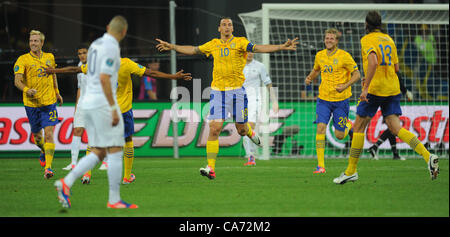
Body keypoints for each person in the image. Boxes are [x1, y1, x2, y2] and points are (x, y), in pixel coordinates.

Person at [156, 17, 298, 179]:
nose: (227, 27)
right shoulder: (213, 44)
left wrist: (281, 46)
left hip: (237, 92)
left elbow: (258, 48)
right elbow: (194, 50)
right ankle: (211, 168)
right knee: (215, 128)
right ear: (219, 29)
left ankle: (250, 132)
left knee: (241, 130)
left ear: (232, 28)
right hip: (218, 92)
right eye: (224, 24)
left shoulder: (240, 42)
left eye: (229, 24)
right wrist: (172, 46)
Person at [47, 54, 192, 185]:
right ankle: (127, 177)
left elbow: (75, 70)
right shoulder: (126, 63)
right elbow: (151, 73)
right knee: (128, 140)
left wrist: (54, 71)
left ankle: (87, 174)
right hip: (122, 111)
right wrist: (173, 77)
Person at [333, 11, 439, 185]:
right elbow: (396, 68)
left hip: (376, 90)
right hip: (392, 88)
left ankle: (351, 171)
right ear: (380, 24)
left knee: (358, 127)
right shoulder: (389, 39)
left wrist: (366, 87)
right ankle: (428, 156)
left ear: (366, 24)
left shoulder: (367, 39)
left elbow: (373, 62)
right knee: (395, 127)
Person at [54, 15, 138, 208]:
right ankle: (114, 200)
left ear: (108, 27)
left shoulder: (95, 45)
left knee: (100, 151)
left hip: (88, 102)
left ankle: (65, 183)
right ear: (124, 32)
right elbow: (103, 78)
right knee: (116, 148)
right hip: (101, 103)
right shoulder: (111, 48)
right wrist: (112, 107)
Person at [305, 28, 360, 174]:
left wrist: (345, 85)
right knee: (320, 128)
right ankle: (321, 166)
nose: (328, 40)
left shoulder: (344, 56)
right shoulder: (320, 55)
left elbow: (357, 74)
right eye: (326, 38)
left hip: (341, 101)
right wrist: (310, 77)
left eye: (331, 38)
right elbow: (317, 69)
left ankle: (348, 125)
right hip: (323, 100)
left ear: (336, 41)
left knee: (339, 135)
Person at [13, 29, 63, 179]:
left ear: (41, 43)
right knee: (37, 137)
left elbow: (53, 74)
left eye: (35, 41)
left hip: (49, 102)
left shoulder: (49, 57)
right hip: (32, 104)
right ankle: (42, 150)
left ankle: (48, 168)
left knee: (49, 134)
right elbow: (17, 81)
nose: (33, 43)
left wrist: (57, 92)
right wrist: (27, 90)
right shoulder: (22, 60)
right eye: (31, 41)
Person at [56, 44, 92, 175]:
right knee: (77, 130)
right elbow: (80, 88)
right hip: (82, 104)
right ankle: (73, 163)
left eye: (84, 52)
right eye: (80, 53)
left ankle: (106, 161)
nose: (82, 55)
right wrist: (77, 105)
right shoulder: (79, 66)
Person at [241, 52, 279, 166]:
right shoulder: (238, 64)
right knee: (243, 129)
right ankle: (251, 154)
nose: (250, 54)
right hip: (240, 99)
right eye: (247, 51)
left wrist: (274, 101)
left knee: (248, 127)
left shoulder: (260, 66)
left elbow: (268, 84)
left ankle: (251, 156)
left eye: (252, 51)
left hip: (254, 100)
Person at [367, 75, 413, 161]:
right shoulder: (392, 68)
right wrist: (406, 91)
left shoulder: (386, 69)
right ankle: (375, 147)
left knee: (392, 129)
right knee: (394, 128)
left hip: (385, 98)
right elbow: (398, 80)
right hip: (391, 98)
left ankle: (394, 153)